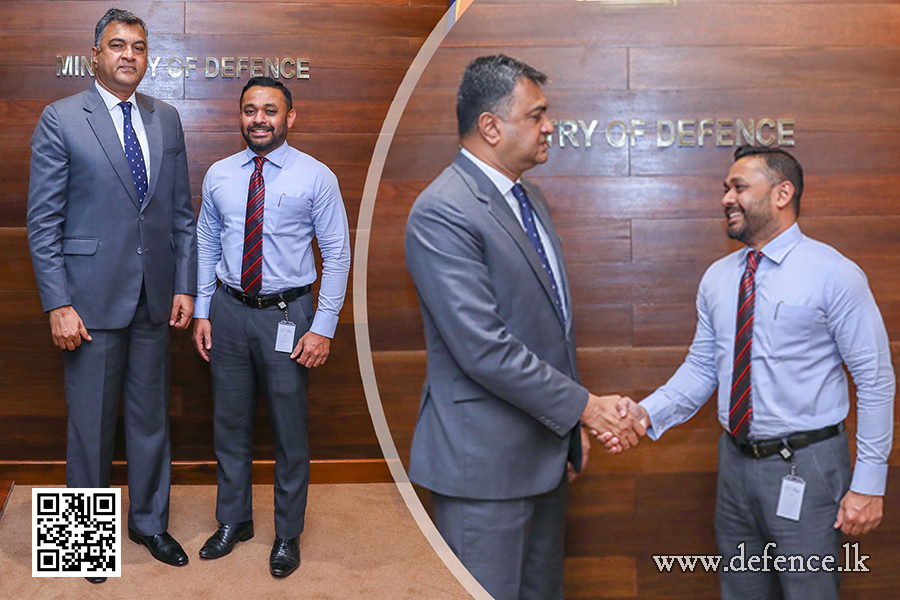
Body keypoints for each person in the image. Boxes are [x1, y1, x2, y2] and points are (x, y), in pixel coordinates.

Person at [404, 54, 642, 600]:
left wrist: (568, 432)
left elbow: (550, 329)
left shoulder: (528, 198)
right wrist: (587, 407)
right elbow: (483, 348)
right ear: (491, 126)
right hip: (483, 468)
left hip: (543, 454)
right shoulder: (444, 209)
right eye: (536, 115)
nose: (549, 125)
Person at [611, 146, 894, 599]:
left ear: (783, 193)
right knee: (741, 590)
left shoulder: (834, 274)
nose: (726, 197)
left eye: (739, 187)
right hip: (735, 465)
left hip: (810, 465)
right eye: (726, 188)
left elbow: (876, 380)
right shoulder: (719, 278)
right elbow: (703, 368)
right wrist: (644, 414)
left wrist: (868, 484)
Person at [26, 8, 196, 583]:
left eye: (139, 46)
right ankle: (81, 550)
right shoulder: (60, 118)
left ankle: (149, 524)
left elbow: (180, 217)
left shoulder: (167, 119)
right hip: (88, 303)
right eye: (118, 45)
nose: (129, 55)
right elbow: (43, 223)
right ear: (95, 53)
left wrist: (184, 286)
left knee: (151, 421)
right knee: (90, 426)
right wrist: (57, 303)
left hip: (154, 299)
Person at [191, 76, 350, 579]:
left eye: (270, 110)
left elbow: (338, 255)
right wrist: (202, 309)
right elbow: (206, 241)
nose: (259, 119)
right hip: (229, 312)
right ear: (240, 116)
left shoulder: (317, 177)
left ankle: (287, 533)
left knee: (288, 431)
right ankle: (233, 520)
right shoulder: (219, 174)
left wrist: (323, 327)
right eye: (250, 110)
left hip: (289, 315)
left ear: (289, 117)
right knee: (230, 424)